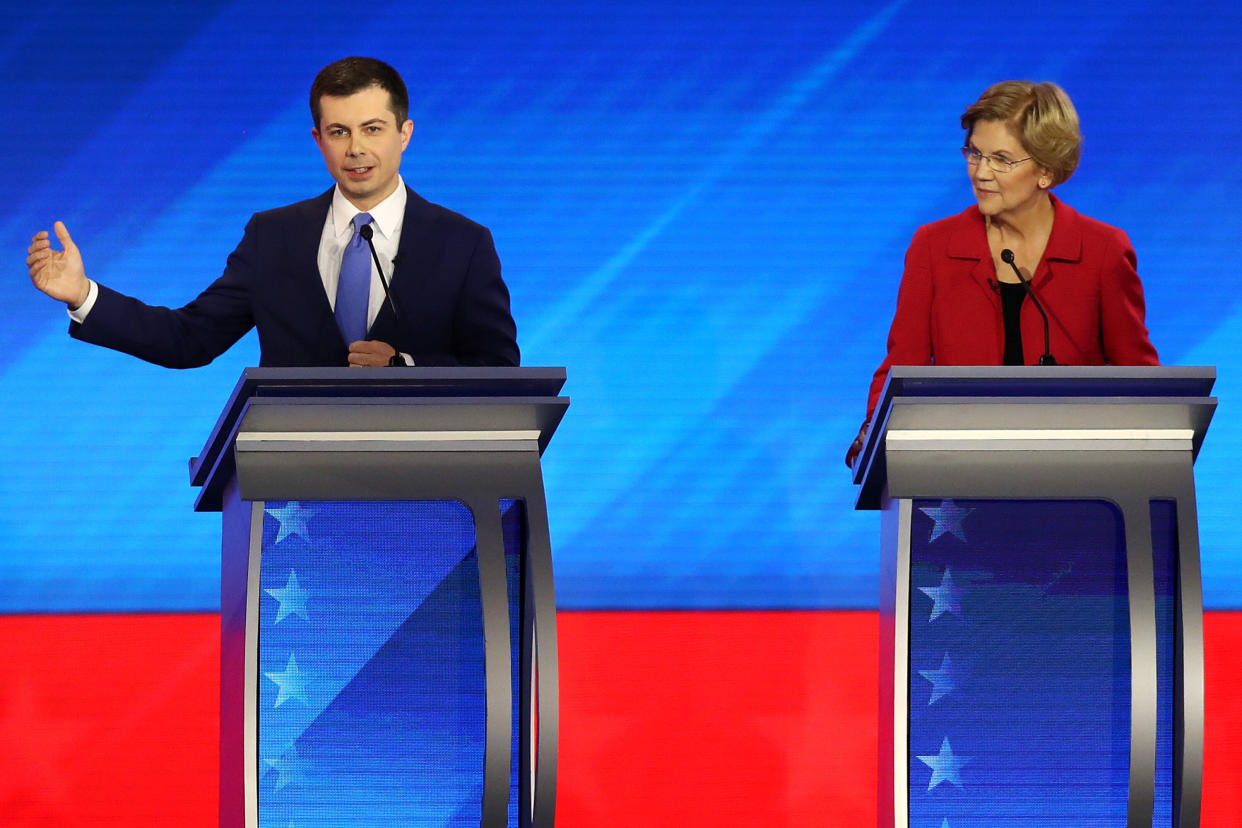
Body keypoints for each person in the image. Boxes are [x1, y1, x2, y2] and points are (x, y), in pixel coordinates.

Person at [25, 57, 519, 369]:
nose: (356, 150)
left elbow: (499, 371)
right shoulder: (272, 237)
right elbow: (188, 339)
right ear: (318, 140)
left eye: (372, 129)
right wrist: (83, 295)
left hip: (430, 495)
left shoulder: (464, 243)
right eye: (339, 132)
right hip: (298, 497)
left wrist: (406, 367)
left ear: (404, 133)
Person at [846, 81, 1158, 468]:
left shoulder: (1102, 251)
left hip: (1075, 473)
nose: (981, 173)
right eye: (974, 153)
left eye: (1001, 159)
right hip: (958, 471)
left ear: (1046, 169)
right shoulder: (934, 246)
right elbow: (902, 363)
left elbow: (1138, 378)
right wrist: (874, 429)